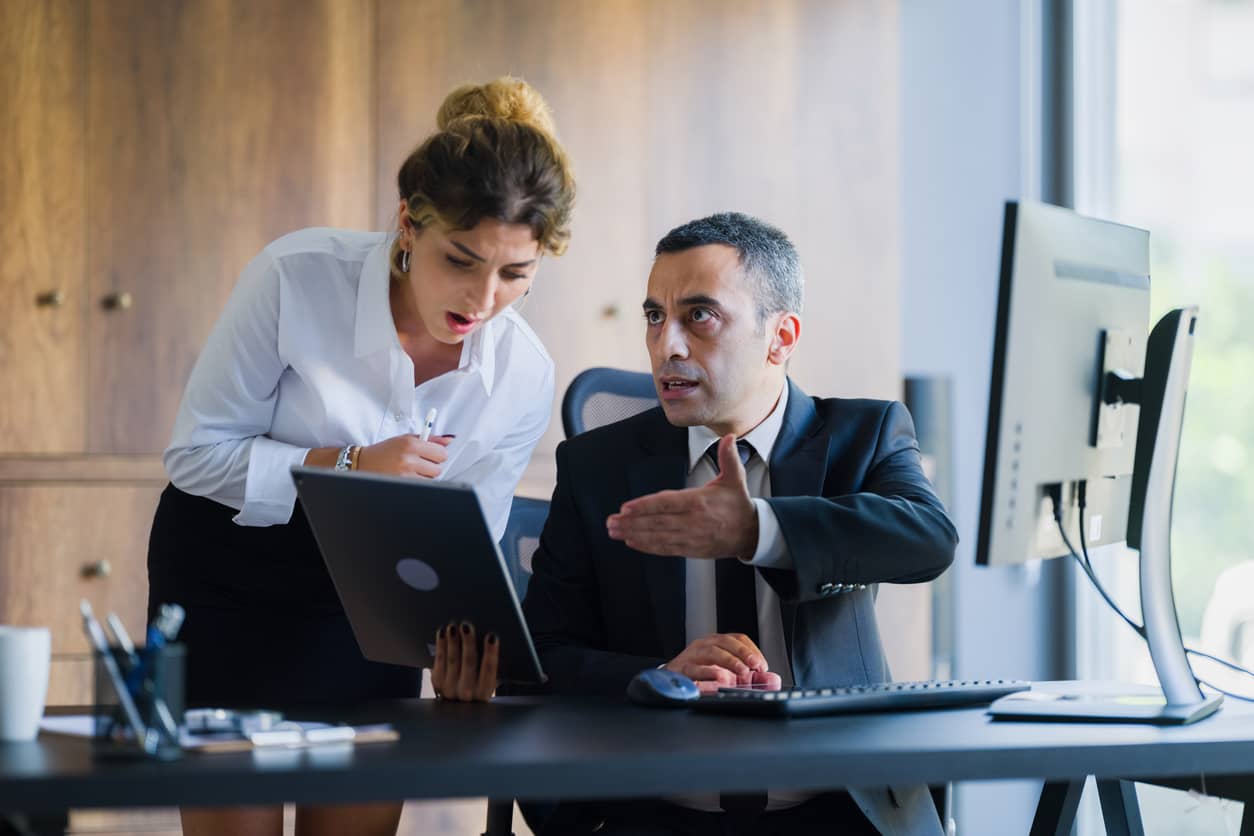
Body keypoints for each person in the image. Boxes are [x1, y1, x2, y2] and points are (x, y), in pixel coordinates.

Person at [147, 76, 575, 836]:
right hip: (229, 578)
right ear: (410, 223)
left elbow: (467, 539)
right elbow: (196, 456)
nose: (483, 300)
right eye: (462, 259)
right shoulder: (296, 277)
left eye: (516, 274)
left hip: (373, 603)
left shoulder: (524, 374)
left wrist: (462, 644)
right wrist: (348, 466)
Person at [521, 212, 958, 835]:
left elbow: (928, 539)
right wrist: (660, 676)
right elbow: (541, 653)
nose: (666, 346)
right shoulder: (597, 466)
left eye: (699, 315)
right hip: (654, 814)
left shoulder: (865, 435)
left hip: (838, 812)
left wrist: (759, 530)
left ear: (780, 337)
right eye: (654, 317)